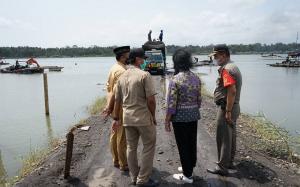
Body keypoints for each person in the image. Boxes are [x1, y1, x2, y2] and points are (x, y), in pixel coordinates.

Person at [113, 48, 158, 187]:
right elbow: (151, 100)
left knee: (131, 147)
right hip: (143, 117)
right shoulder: (144, 75)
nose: (144, 61)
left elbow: (117, 100)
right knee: (148, 146)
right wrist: (153, 116)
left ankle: (134, 178)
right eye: (143, 59)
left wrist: (116, 118)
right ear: (138, 59)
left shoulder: (122, 77)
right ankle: (142, 180)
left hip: (127, 118)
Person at [165, 49, 201, 184]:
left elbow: (171, 103)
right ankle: (189, 167)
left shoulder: (175, 79)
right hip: (193, 115)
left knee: (183, 144)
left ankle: (187, 176)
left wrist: (167, 120)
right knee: (191, 142)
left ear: (177, 63)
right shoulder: (196, 78)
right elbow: (199, 100)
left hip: (180, 118)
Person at [207, 44, 242, 175]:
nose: (215, 59)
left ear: (224, 55)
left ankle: (222, 167)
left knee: (223, 137)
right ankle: (229, 162)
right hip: (233, 107)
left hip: (227, 108)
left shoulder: (227, 69)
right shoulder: (233, 66)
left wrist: (227, 111)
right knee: (230, 136)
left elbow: (232, 91)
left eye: (216, 56)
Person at [102, 46, 130, 172]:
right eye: (128, 55)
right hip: (120, 106)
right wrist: (110, 108)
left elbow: (108, 88)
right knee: (121, 136)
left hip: (114, 105)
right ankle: (123, 163)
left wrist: (109, 107)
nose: (130, 57)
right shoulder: (121, 71)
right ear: (123, 56)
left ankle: (116, 160)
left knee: (115, 133)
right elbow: (116, 92)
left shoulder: (115, 67)